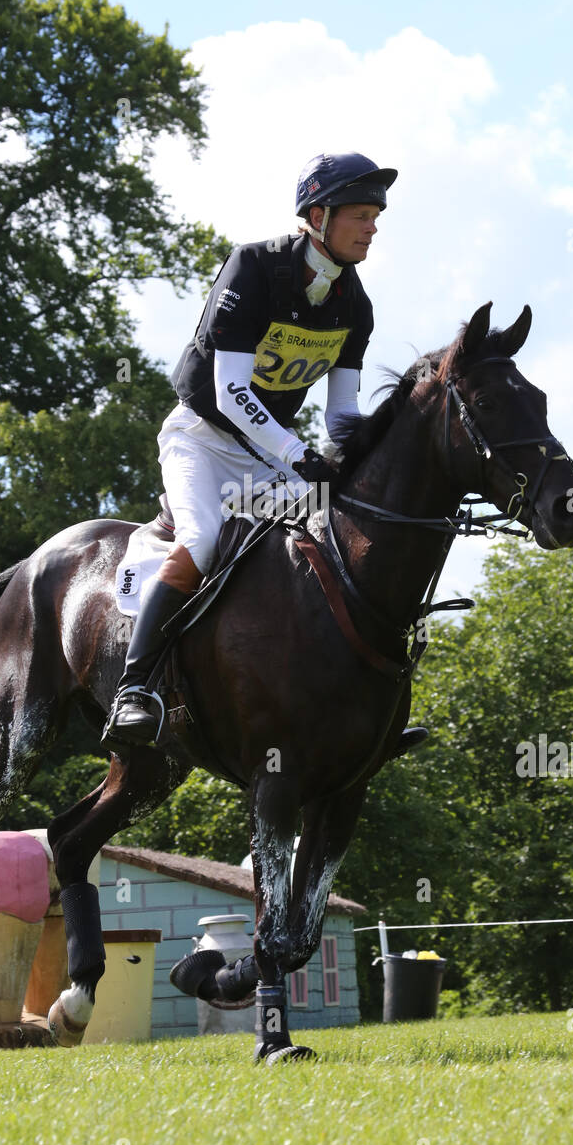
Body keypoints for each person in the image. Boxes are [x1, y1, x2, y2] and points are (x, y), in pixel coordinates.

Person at [102, 152, 397, 749]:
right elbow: (230, 393)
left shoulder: (355, 304)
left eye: (376, 217)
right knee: (205, 540)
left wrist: (375, 457)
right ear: (317, 215)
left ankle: (347, 706)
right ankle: (135, 687)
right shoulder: (253, 269)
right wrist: (296, 454)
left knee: (334, 546)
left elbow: (341, 416)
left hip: (267, 456)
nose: (372, 228)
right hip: (203, 438)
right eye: (361, 215)